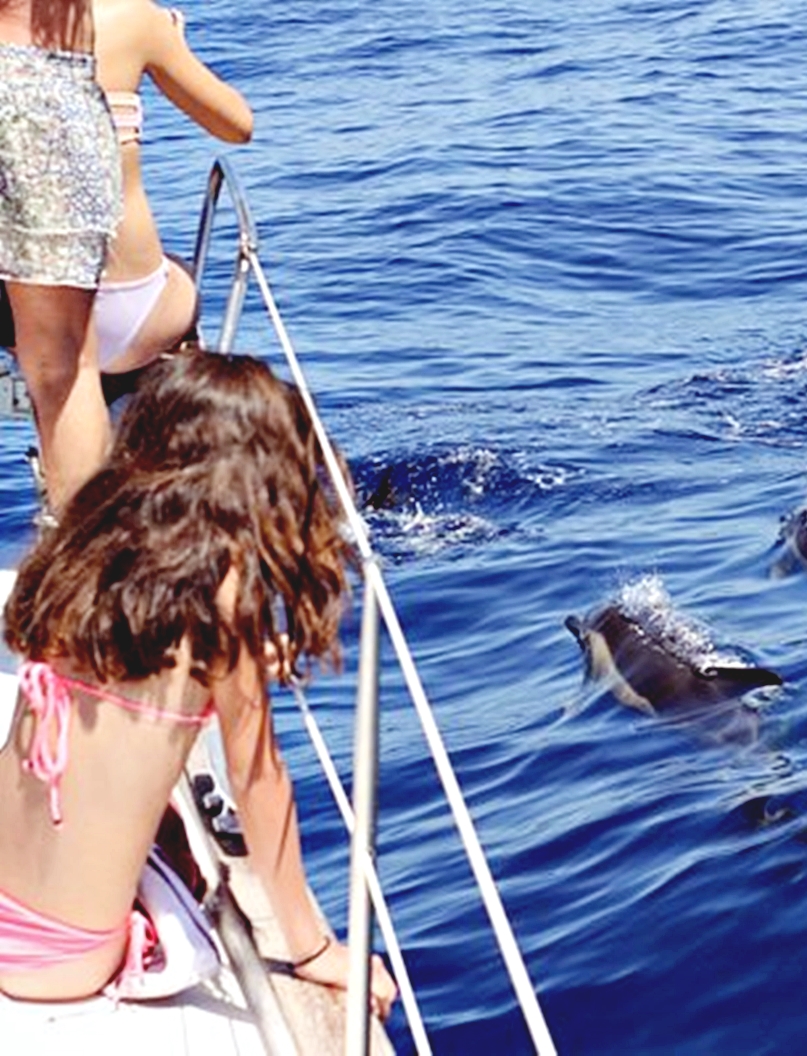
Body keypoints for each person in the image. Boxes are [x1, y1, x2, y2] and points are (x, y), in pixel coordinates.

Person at [0, 352, 397, 1019]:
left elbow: (132, 678)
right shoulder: (221, 602)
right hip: (51, 957)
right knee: (184, 853)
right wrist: (312, 950)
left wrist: (231, 672)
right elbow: (260, 784)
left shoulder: (88, 543)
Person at [1, 0, 122, 512]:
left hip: (33, 78)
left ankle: (84, 549)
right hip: (40, 80)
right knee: (65, 368)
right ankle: (87, 558)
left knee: (62, 367)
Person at [91, 0, 253, 375]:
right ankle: (168, 414)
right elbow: (237, 125)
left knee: (49, 348)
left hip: (21, 312)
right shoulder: (130, 17)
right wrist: (169, 46)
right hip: (126, 307)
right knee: (176, 275)